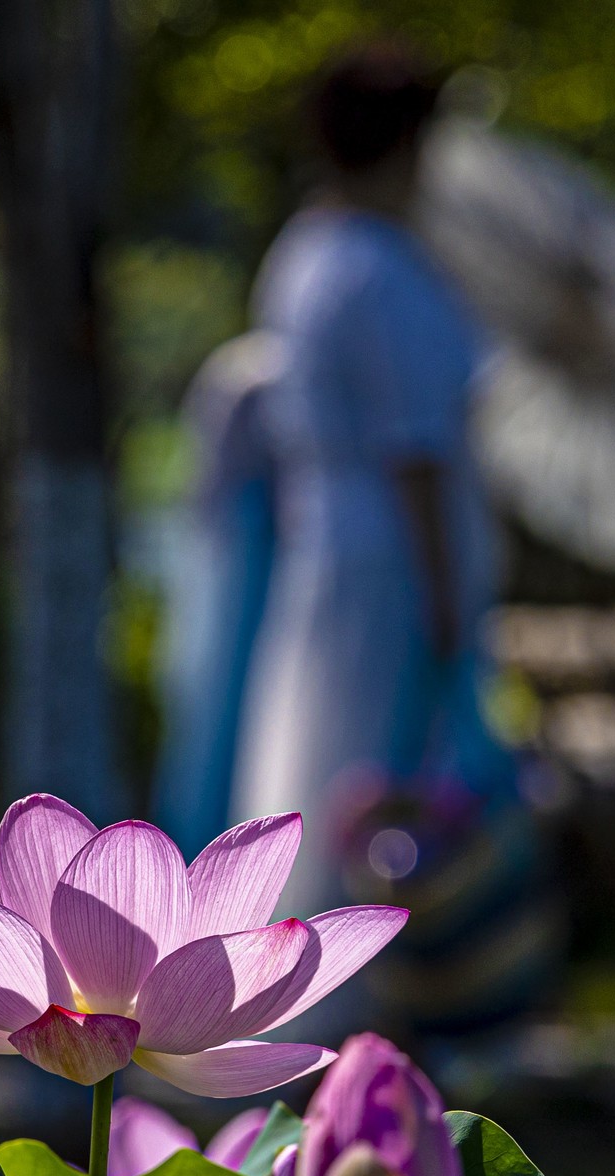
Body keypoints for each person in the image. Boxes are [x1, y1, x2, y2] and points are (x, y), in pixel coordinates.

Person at [230, 44, 508, 918]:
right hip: (392, 555)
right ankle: (379, 962)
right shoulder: (380, 269)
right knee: (386, 773)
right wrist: (445, 591)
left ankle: (310, 951)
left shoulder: (307, 252)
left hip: (327, 542)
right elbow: (414, 449)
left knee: (322, 758)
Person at [154, 332, 285, 861]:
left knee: (212, 707)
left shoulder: (237, 367)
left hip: (225, 552)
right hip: (252, 560)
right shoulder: (263, 375)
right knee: (231, 704)